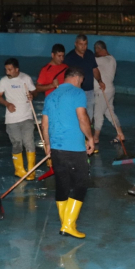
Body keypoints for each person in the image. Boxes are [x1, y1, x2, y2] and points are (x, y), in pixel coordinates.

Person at [41, 67, 94, 239]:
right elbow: (82, 117)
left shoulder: (51, 96)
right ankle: (68, 225)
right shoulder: (77, 93)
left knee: (62, 185)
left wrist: (47, 144)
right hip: (74, 148)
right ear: (78, 78)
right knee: (81, 184)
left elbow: (44, 125)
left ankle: (66, 222)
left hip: (56, 148)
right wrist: (90, 138)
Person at [0, 58, 38, 180]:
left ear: (16, 69)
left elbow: (34, 91)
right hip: (11, 119)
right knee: (17, 144)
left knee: (29, 142)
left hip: (26, 117)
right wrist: (7, 104)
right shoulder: (3, 81)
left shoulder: (26, 78)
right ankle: (19, 170)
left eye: (10, 69)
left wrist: (32, 95)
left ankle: (31, 170)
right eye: (6, 69)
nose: (7, 72)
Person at [64, 34, 105, 122]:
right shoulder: (69, 58)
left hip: (89, 90)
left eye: (85, 44)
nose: (83, 47)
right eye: (81, 44)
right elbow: (65, 75)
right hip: (75, 91)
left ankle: (87, 132)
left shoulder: (89, 54)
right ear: (76, 44)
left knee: (89, 114)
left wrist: (100, 81)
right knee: (76, 114)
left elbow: (95, 69)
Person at [92, 40, 124, 144]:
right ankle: (120, 134)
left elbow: (90, 61)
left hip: (102, 92)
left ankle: (95, 137)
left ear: (100, 49)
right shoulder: (112, 58)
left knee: (98, 114)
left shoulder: (100, 60)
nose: (95, 52)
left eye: (96, 50)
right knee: (110, 113)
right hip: (110, 90)